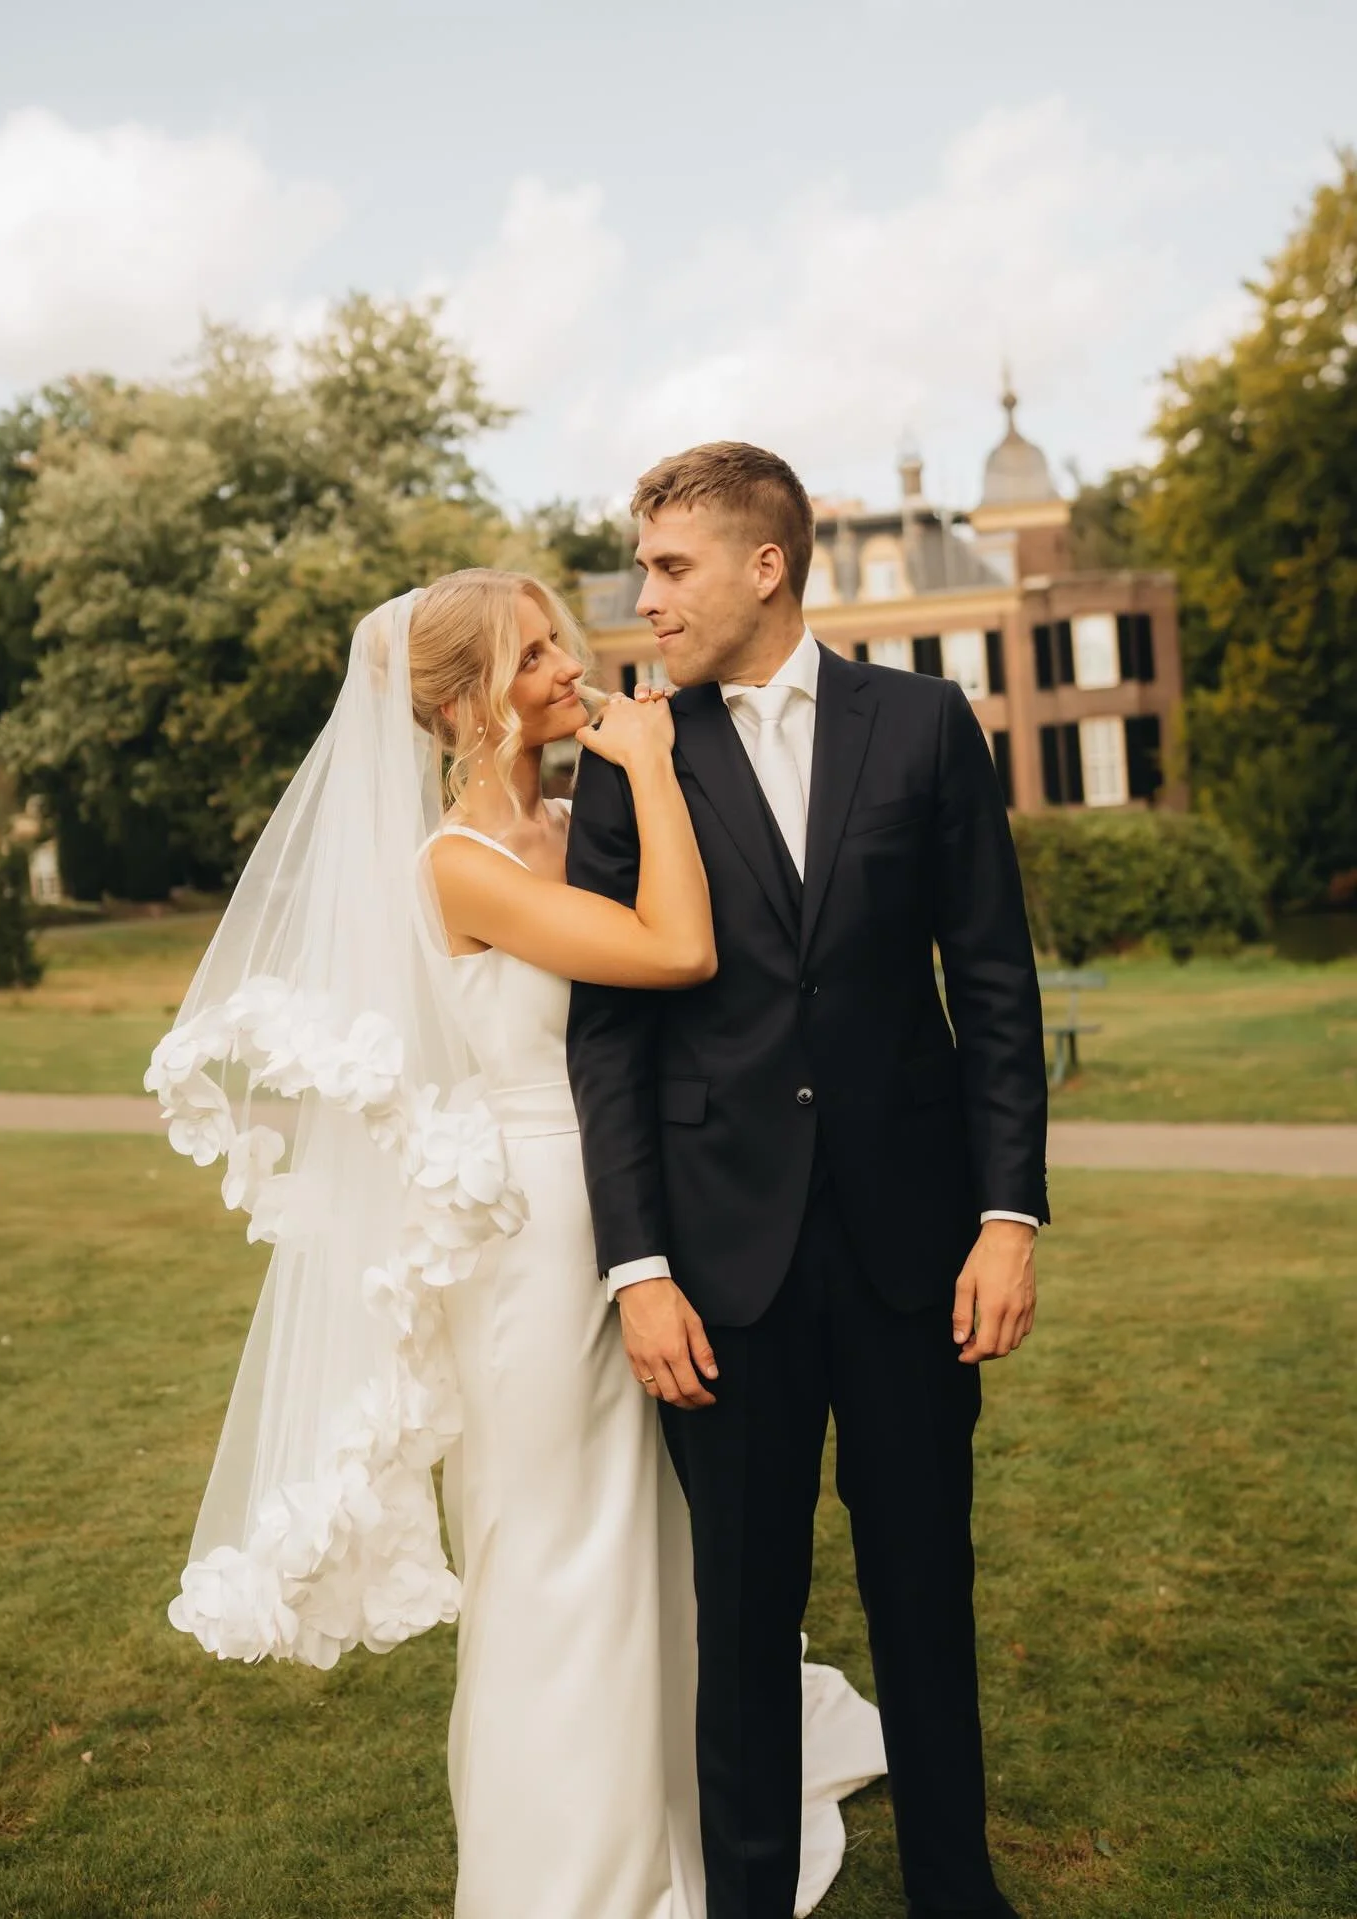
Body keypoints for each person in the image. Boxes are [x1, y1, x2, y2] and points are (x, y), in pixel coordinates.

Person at [149, 570, 884, 1919]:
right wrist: (655, 764)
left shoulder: (563, 820)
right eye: (528, 648)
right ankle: (566, 1882)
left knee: (650, 1525)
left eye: (557, 636)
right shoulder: (457, 865)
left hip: (638, 1208)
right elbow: (670, 948)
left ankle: (683, 1819)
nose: (566, 659)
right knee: (552, 1544)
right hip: (528, 1231)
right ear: (452, 702)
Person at [566, 443, 1048, 1919]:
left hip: (915, 1253)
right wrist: (638, 1269)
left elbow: (994, 986)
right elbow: (609, 1039)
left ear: (763, 565)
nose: (643, 596)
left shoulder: (923, 727)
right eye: (642, 566)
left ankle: (957, 1893)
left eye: (669, 566)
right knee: (744, 1621)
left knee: (925, 1596)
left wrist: (1008, 1217)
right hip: (722, 1270)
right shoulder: (632, 754)